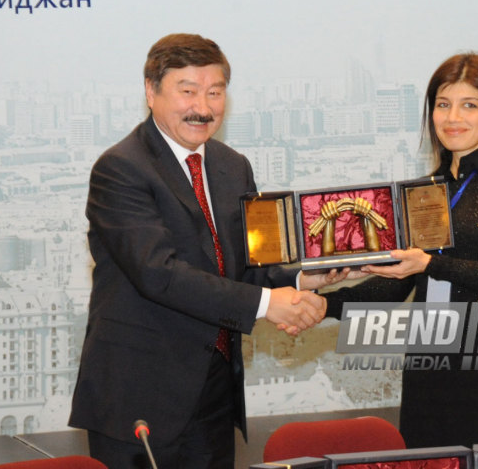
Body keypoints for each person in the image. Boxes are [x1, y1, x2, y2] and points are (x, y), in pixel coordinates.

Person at [68, 33, 344, 468]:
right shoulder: (121, 168)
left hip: (214, 392)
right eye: (188, 91)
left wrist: (302, 278)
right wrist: (271, 304)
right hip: (139, 397)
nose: (203, 106)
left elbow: (241, 267)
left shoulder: (232, 166)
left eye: (215, 92)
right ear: (150, 91)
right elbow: (159, 274)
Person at [315, 53, 478, 448]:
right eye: (443, 105)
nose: (452, 117)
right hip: (431, 358)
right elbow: (397, 285)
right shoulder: (423, 190)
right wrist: (322, 303)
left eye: (469, 105)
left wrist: (431, 262)